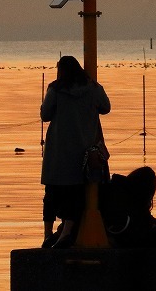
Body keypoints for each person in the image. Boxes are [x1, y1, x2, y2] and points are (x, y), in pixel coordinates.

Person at [40, 55, 111, 248]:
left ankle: (47, 234)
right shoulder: (93, 88)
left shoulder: (56, 88)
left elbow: (45, 114)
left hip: (57, 150)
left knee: (52, 193)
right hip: (82, 148)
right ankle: (67, 233)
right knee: (76, 192)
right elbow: (106, 107)